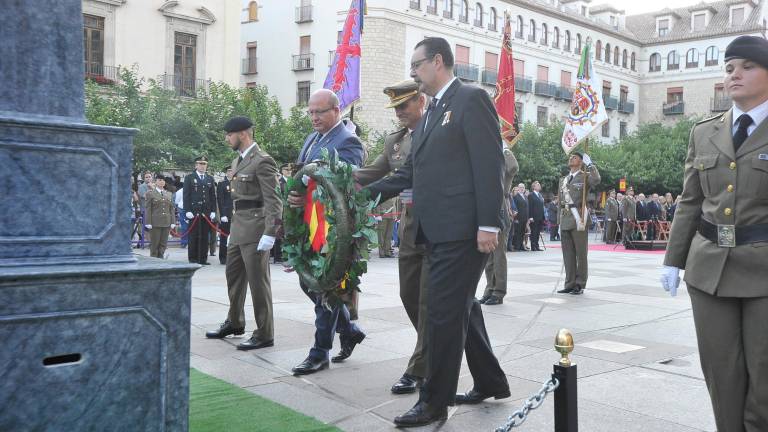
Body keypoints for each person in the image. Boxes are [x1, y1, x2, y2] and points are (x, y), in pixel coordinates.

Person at [365, 37, 510, 427]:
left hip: (464, 232)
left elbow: (489, 164)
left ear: (439, 61)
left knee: (442, 316)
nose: (412, 72)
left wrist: (487, 224)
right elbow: (411, 172)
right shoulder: (431, 111)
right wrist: (360, 194)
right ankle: (490, 380)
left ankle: (432, 403)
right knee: (461, 309)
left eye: (417, 64)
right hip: (438, 231)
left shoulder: (470, 99)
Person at [661, 35, 768, 432]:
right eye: (728, 68)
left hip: (764, 271)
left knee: (764, 379)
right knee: (722, 376)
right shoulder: (704, 132)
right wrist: (674, 260)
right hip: (709, 271)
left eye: (747, 66)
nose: (734, 74)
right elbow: (690, 201)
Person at [355, 79, 429, 395]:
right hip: (410, 222)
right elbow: (372, 172)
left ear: (421, 102)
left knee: (429, 303)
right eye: (396, 107)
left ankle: (420, 367)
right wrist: (332, 176)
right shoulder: (395, 141)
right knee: (409, 295)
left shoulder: (436, 131)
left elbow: (400, 178)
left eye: (405, 105)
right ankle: (449, 352)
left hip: (439, 223)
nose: (399, 111)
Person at [287, 89, 366, 375]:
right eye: (310, 112)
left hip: (333, 228)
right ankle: (349, 329)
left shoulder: (348, 141)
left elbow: (348, 184)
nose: (314, 117)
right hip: (310, 223)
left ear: (336, 111)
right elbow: (303, 176)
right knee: (308, 282)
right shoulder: (312, 139)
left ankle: (320, 352)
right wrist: (297, 197)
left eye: (319, 111)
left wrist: (313, 193)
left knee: (324, 286)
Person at [205, 116, 282, 351]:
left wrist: (271, 231)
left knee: (259, 283)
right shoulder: (238, 161)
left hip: (257, 228)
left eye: (229, 134)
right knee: (234, 277)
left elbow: (274, 200)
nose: (227, 138)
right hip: (239, 227)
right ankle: (235, 321)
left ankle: (264, 332)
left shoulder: (262, 161)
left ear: (243, 134)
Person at [556, 152, 600, 295]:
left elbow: (597, 180)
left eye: (574, 157)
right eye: (570, 157)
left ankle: (579, 284)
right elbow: (560, 204)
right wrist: (558, 222)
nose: (571, 158)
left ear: (581, 162)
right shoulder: (563, 179)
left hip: (578, 219)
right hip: (565, 218)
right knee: (567, 254)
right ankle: (569, 283)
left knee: (580, 254)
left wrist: (591, 165)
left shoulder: (585, 176)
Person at [480, 148, 519, 305]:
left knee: (498, 254)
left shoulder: (504, 160)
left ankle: (499, 291)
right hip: (486, 207)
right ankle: (489, 288)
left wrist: (505, 149)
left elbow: (513, 167)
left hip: (500, 207)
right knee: (488, 255)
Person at [183, 156, 217, 265]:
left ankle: (203, 258)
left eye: (204, 164)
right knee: (194, 235)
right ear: (196, 165)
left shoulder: (210, 178)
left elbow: (212, 196)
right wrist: (187, 210)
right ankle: (192, 258)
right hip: (194, 211)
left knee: (204, 236)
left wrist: (213, 211)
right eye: (200, 164)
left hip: (206, 212)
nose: (203, 166)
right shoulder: (189, 178)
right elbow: (186, 195)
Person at [144, 174, 176, 258]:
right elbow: (148, 208)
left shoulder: (168, 193)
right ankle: (154, 260)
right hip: (155, 222)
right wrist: (148, 222)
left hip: (166, 221)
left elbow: (171, 208)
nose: (161, 182)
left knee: (163, 243)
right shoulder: (150, 193)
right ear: (155, 182)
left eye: (163, 180)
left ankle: (161, 258)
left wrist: (173, 221)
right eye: (159, 180)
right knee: (155, 243)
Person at [216, 168, 234, 265]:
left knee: (235, 237)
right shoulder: (222, 184)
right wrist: (222, 214)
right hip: (226, 214)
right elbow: (220, 200)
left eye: (232, 170)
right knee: (224, 237)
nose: (231, 172)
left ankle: (233, 257)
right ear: (227, 172)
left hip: (236, 214)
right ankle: (223, 257)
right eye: (229, 171)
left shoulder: (237, 182)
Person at [527, 181, 545, 251]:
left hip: (540, 217)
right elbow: (530, 206)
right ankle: (533, 246)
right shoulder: (531, 195)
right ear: (534, 187)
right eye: (538, 185)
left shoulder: (540, 195)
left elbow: (541, 206)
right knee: (534, 232)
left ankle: (537, 246)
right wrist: (530, 217)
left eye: (539, 185)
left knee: (537, 232)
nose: (539, 186)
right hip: (534, 217)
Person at [512, 184, 529, 251]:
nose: (522, 188)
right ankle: (517, 246)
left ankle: (521, 245)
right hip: (518, 218)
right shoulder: (516, 197)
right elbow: (514, 208)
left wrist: (528, 218)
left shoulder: (525, 197)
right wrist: (515, 218)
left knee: (522, 233)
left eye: (523, 187)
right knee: (517, 233)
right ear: (518, 188)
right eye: (520, 187)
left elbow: (527, 208)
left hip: (525, 218)